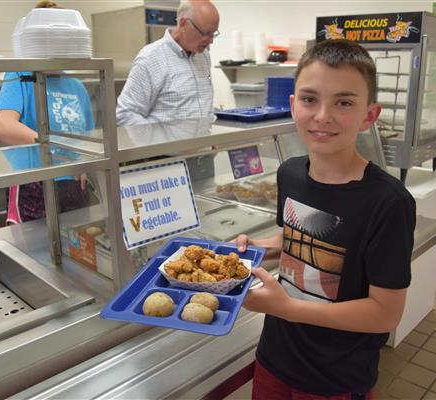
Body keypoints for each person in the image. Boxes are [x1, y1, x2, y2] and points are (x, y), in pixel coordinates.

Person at [234, 39, 416, 399]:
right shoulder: (290, 174)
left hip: (335, 376)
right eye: (309, 99)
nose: (322, 116)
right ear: (292, 105)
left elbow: (384, 314)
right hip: (274, 355)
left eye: (344, 102)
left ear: (369, 116)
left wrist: (289, 308)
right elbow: (295, 239)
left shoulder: (388, 203)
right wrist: (259, 248)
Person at [0, 1, 92, 224]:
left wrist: (84, 162)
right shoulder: (20, 75)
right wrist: (54, 147)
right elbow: (4, 126)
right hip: (34, 181)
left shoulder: (75, 84)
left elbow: (87, 138)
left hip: (73, 183)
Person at [116, 0, 219, 126]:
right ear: (183, 24)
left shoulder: (203, 55)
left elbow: (203, 106)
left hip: (203, 144)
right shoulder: (151, 58)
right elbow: (125, 114)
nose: (211, 41)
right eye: (206, 33)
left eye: (213, 34)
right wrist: (161, 141)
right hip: (170, 145)